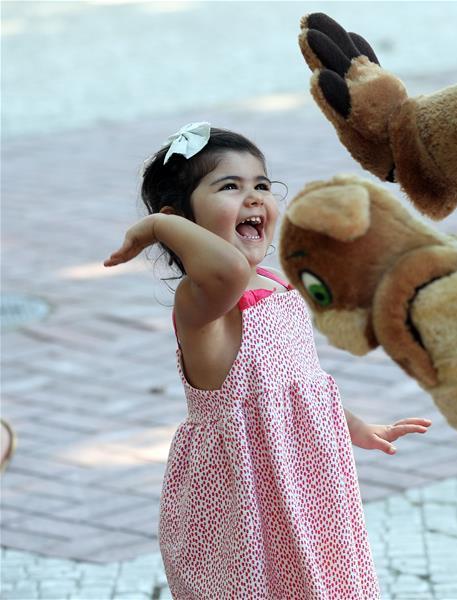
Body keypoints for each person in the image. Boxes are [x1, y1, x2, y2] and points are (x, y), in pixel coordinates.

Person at [105, 122, 431, 598]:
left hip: (304, 490)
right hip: (244, 506)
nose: (254, 197)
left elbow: (297, 385)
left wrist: (351, 425)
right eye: (229, 187)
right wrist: (157, 227)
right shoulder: (203, 301)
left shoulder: (275, 284)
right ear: (181, 221)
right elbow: (228, 270)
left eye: (261, 184)